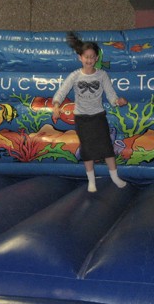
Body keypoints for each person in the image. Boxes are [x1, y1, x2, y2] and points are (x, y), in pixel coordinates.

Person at [52, 32, 128, 192]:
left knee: (107, 148)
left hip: (98, 116)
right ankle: (91, 181)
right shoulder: (75, 76)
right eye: (86, 57)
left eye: (92, 57)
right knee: (86, 150)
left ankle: (115, 177)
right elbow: (61, 91)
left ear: (96, 58)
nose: (89, 60)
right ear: (80, 58)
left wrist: (118, 101)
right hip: (82, 118)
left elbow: (111, 94)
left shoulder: (102, 75)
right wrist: (56, 105)